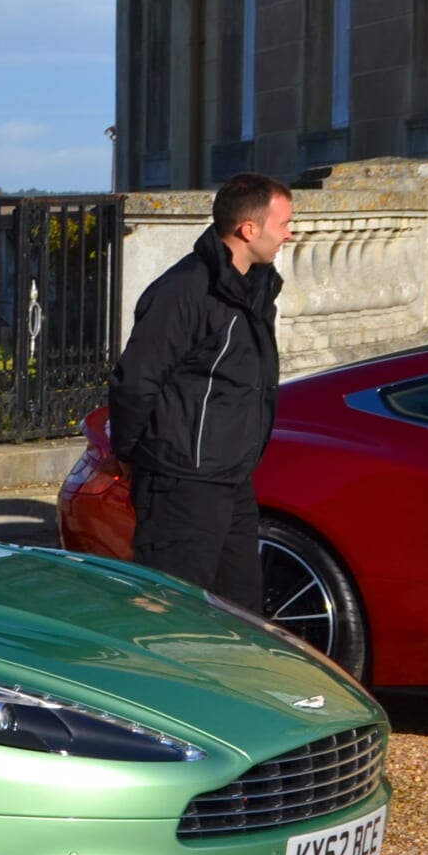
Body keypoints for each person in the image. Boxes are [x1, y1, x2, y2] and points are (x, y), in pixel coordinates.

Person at [107, 171, 295, 611]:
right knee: (170, 610)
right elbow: (136, 380)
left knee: (240, 610)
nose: (290, 233)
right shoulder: (185, 291)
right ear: (249, 230)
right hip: (181, 482)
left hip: (231, 477)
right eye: (283, 223)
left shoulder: (254, 287)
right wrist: (134, 454)